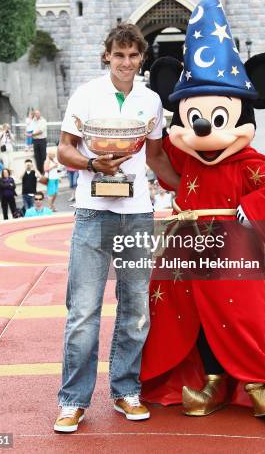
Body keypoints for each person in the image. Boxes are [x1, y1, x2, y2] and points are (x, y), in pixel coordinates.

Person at [140, 0, 265, 421]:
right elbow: (160, 163)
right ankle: (210, 379)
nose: (204, 127)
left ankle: (263, 381)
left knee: (242, 313)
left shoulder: (249, 163)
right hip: (188, 249)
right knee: (192, 316)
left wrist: (253, 208)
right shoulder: (188, 161)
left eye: (218, 116)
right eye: (194, 116)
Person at [54, 22, 179, 433]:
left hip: (138, 212)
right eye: (118, 55)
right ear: (107, 55)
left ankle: (125, 388)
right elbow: (64, 149)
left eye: (133, 55)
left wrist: (193, 190)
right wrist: (93, 163)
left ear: (141, 58)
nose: (126, 62)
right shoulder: (86, 95)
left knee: (136, 309)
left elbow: (158, 158)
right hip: (93, 211)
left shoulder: (152, 101)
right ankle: (73, 400)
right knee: (84, 311)